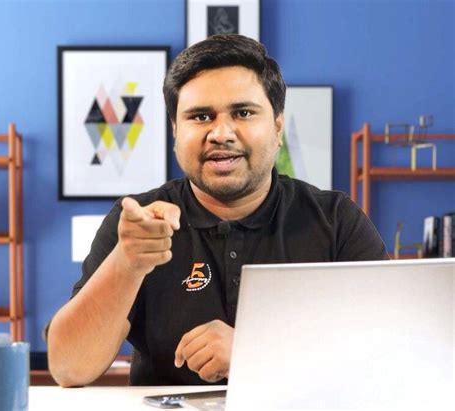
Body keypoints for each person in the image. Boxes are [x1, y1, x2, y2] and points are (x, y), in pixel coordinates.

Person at [47, 34, 388, 387]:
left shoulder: (336, 221)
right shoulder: (137, 224)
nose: (221, 133)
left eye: (243, 113)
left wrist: (252, 351)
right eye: (200, 116)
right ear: (176, 130)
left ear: (277, 127)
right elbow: (69, 368)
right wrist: (128, 262)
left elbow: (391, 352)